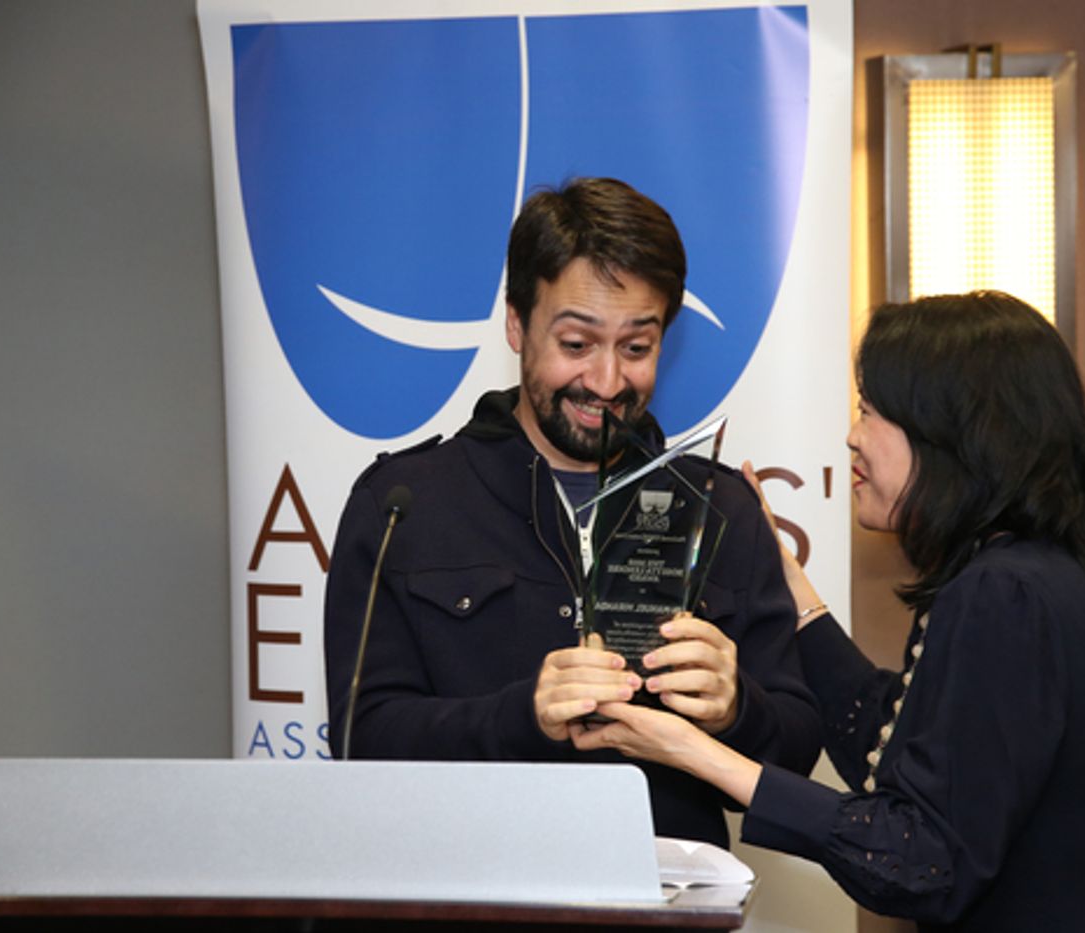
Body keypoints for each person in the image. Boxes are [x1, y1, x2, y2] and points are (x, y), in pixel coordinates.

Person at [572, 292, 1085, 930]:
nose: (852, 437)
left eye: (870, 412)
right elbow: (899, 748)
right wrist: (793, 589)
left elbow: (921, 862)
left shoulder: (1001, 595)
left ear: (952, 433)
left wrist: (694, 751)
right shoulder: (1028, 575)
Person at [323, 177, 822, 847]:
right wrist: (519, 716)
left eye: (637, 347)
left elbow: (794, 748)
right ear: (516, 322)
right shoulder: (403, 505)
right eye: (577, 344)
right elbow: (364, 741)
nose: (607, 381)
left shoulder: (718, 507)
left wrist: (736, 709)